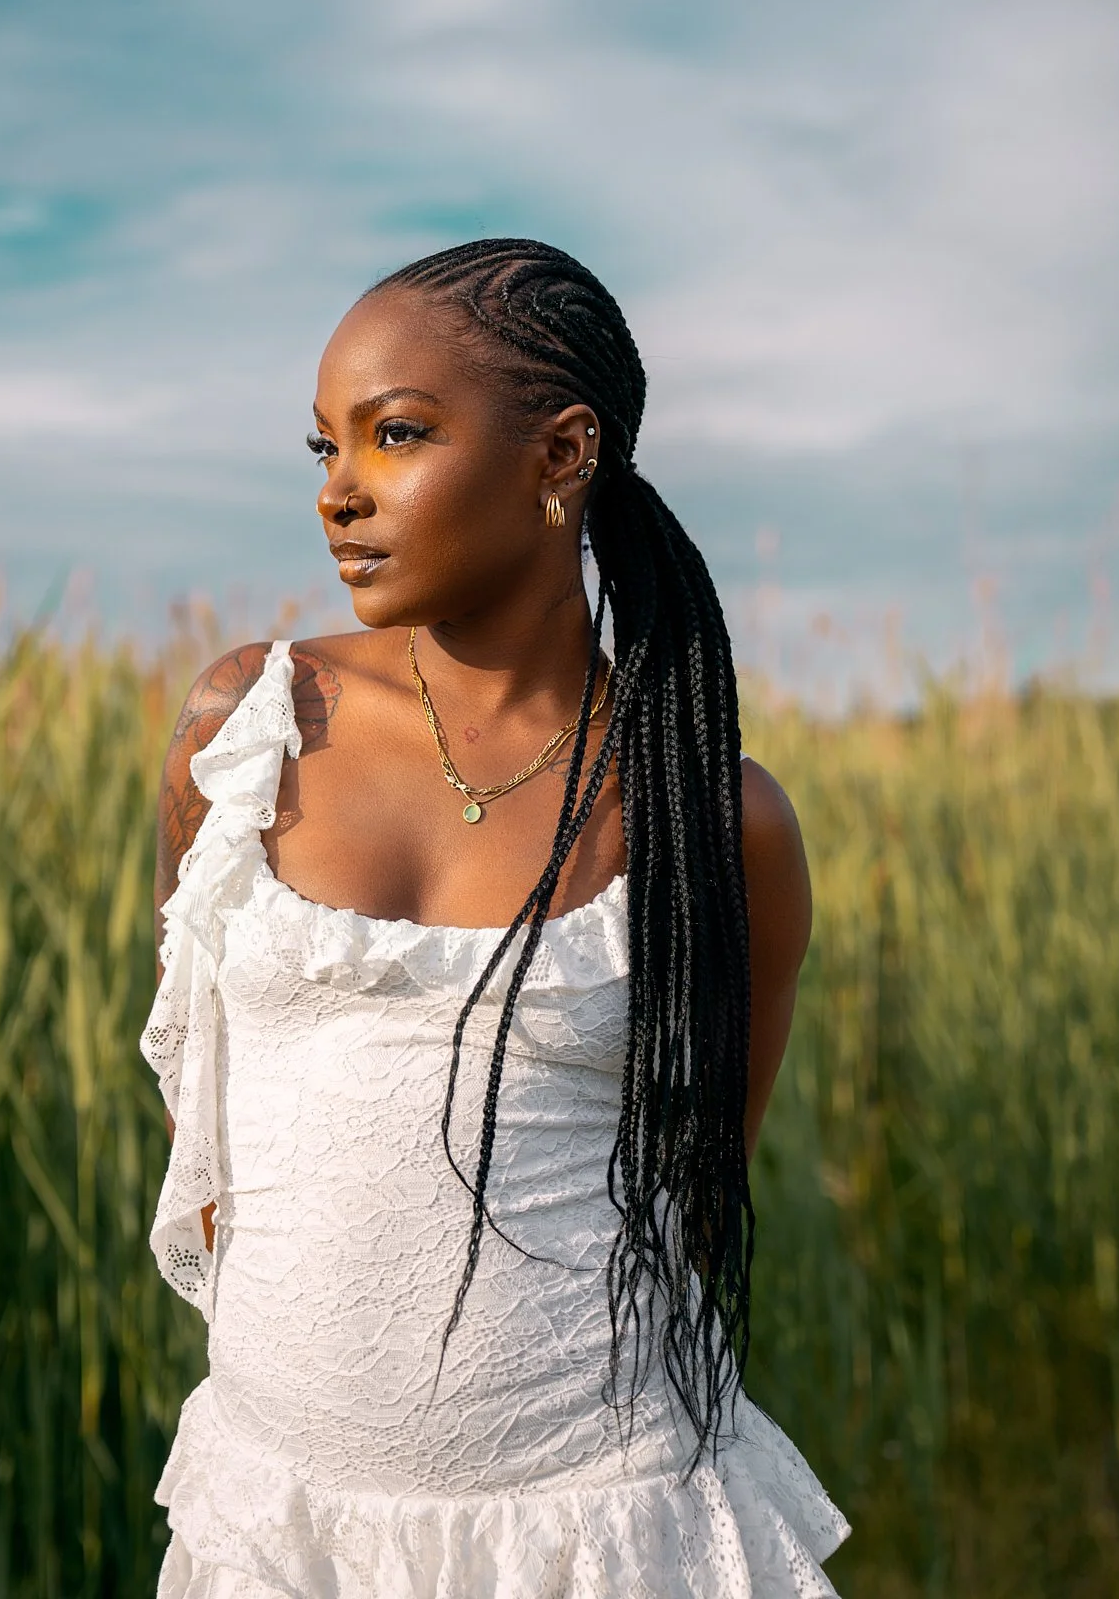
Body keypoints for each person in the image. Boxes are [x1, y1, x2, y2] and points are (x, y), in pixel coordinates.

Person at [141, 239, 847, 1597]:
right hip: (282, 1526)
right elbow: (203, 1094)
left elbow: (695, 1185)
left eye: (394, 435)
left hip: (601, 1528)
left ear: (559, 453)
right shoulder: (247, 729)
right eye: (321, 449)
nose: (337, 494)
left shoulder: (712, 818)